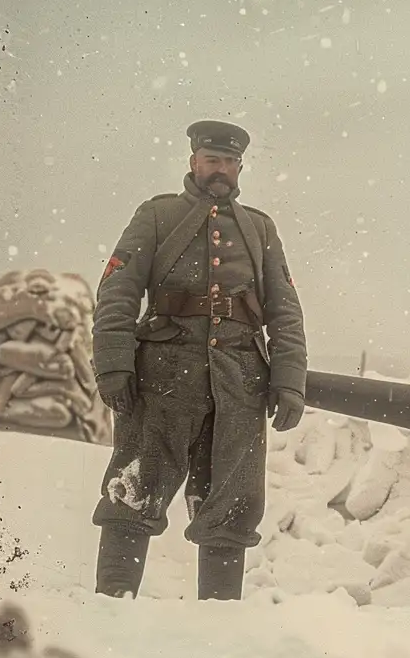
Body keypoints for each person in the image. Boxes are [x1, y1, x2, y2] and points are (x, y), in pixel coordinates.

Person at [91, 121, 309, 602]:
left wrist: (290, 380)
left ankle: (218, 620)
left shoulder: (259, 228)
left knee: (233, 503)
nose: (222, 171)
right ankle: (110, 609)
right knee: (135, 489)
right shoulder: (157, 216)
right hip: (162, 379)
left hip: (240, 383)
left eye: (230, 163)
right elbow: (118, 292)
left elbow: (284, 309)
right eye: (213, 160)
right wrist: (113, 363)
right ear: (193, 162)